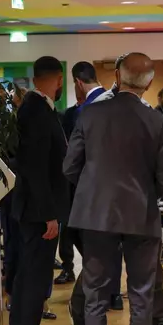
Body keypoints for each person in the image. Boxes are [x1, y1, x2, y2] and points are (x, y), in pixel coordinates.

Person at [63, 52, 163, 325]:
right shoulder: (157, 121)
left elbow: (70, 167)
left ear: (117, 77)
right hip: (142, 214)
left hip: (96, 214)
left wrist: (94, 189)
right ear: (150, 82)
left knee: (95, 296)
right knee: (141, 295)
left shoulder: (89, 114)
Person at [8, 56, 70, 325]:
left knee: (27, 274)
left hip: (33, 208)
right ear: (58, 79)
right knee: (34, 276)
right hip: (38, 211)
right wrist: (49, 213)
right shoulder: (36, 110)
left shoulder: (34, 107)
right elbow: (35, 167)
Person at [55, 61, 105, 285]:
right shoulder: (115, 101)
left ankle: (102, 279)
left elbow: (74, 154)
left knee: (82, 234)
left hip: (85, 185)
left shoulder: (85, 111)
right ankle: (107, 285)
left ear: (77, 82)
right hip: (111, 186)